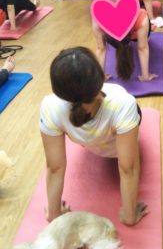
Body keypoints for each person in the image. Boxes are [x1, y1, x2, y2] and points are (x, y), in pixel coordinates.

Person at [40, 47, 148, 226]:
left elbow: (55, 167)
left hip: (94, 139)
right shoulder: (122, 103)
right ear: (101, 79)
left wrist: (54, 212)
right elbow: (128, 168)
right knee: (127, 106)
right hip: (118, 129)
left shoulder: (49, 105)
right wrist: (130, 215)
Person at [93, 7, 157, 82]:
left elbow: (101, 48)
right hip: (134, 30)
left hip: (126, 32)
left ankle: (101, 76)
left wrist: (101, 77)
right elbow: (142, 47)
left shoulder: (97, 17)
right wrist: (145, 77)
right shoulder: (141, 15)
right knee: (143, 37)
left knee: (101, 47)